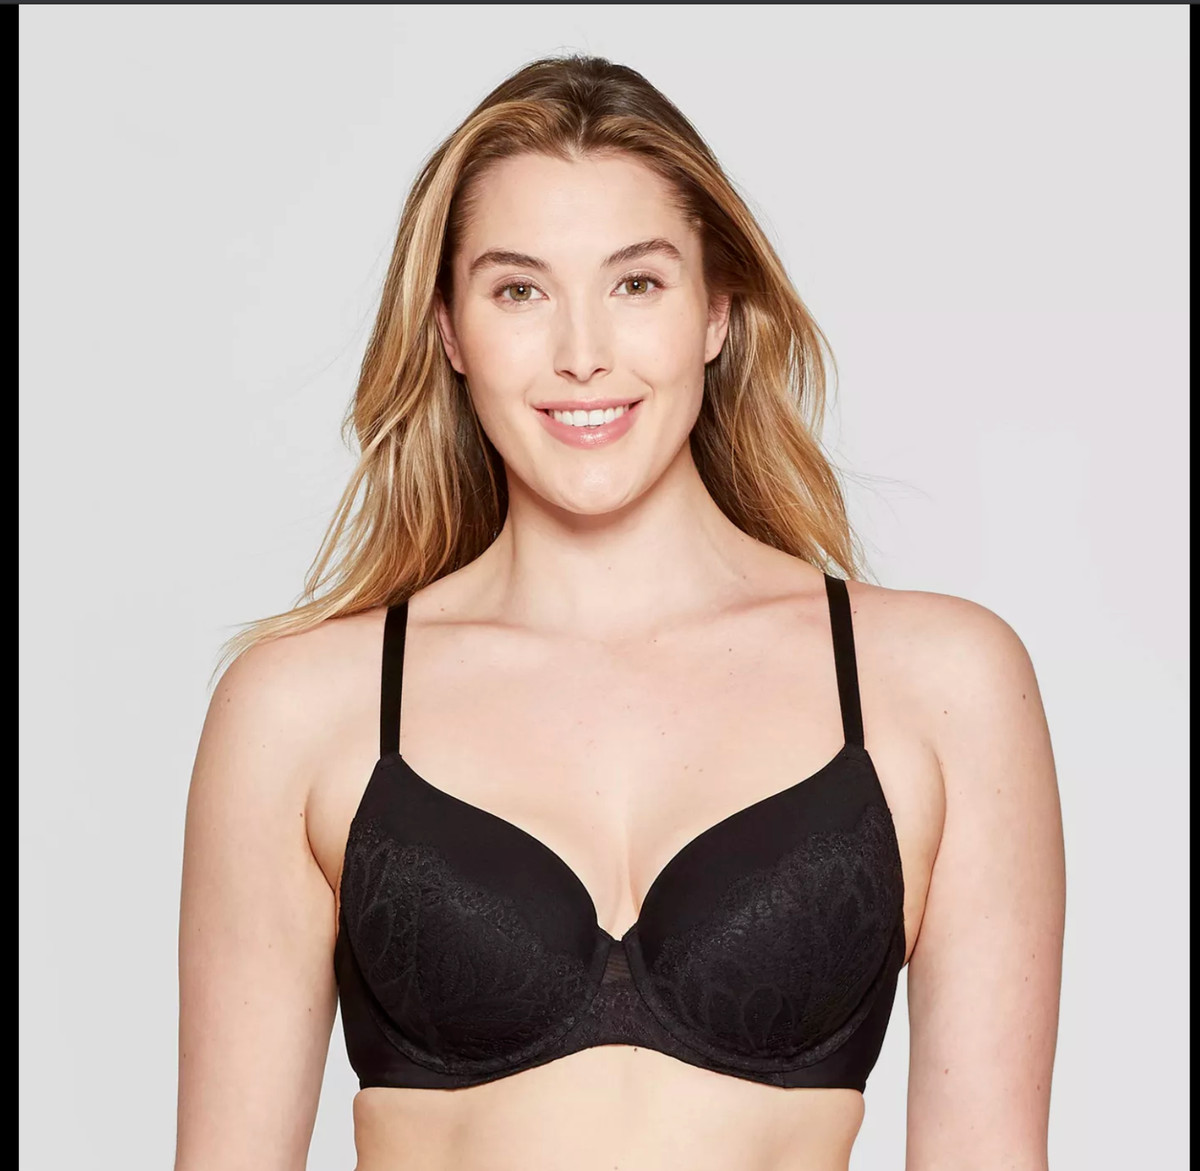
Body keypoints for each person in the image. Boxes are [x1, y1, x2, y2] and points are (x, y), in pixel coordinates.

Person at [175, 54, 1065, 1171]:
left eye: (636, 283)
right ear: (448, 331)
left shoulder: (937, 686)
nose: (583, 355)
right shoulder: (299, 709)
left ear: (716, 311)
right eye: (519, 291)